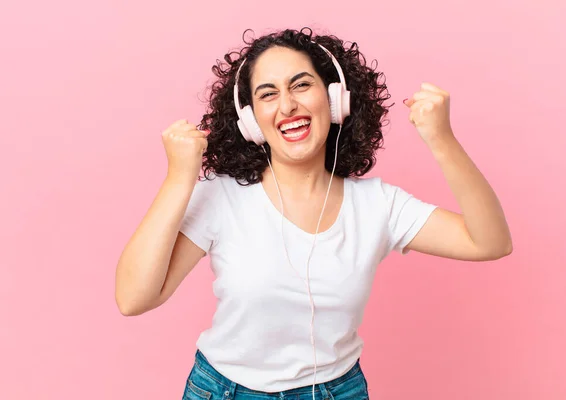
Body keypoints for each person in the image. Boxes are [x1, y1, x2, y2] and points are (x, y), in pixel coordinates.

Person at [115, 27, 512, 400]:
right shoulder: (222, 197)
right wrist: (178, 179)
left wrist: (442, 139)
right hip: (225, 390)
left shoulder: (378, 205)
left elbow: (490, 242)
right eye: (268, 94)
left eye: (301, 85)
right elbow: (133, 299)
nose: (287, 105)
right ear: (251, 120)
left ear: (335, 98)